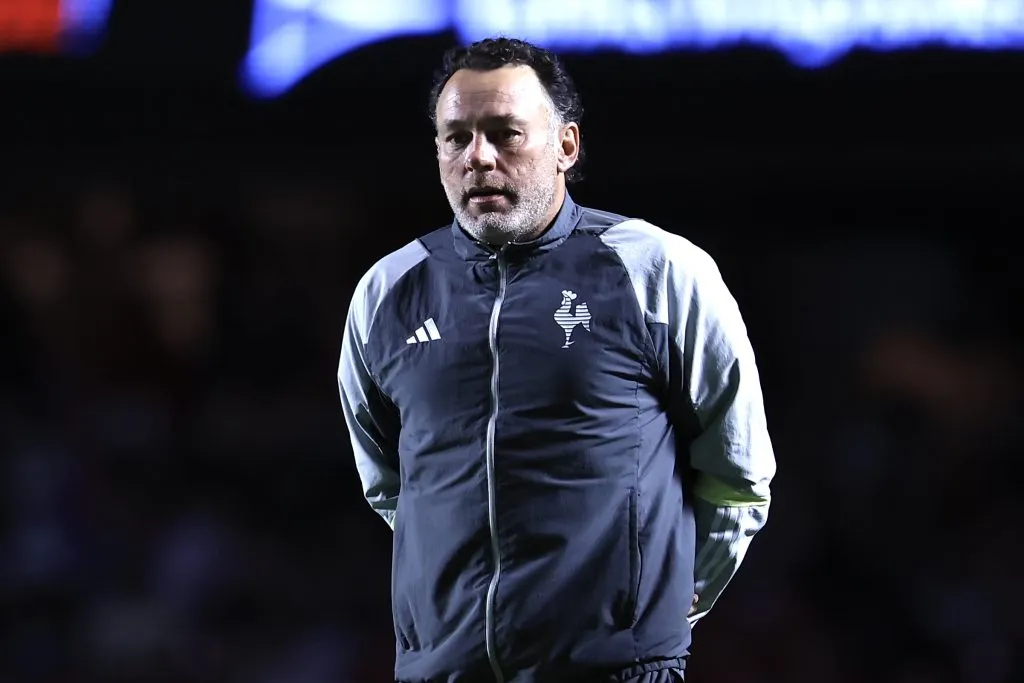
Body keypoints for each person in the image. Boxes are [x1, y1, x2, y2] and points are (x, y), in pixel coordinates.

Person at [338, 37, 776, 683]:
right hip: (444, 670)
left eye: (504, 133)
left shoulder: (657, 269)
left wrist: (663, 609)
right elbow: (391, 485)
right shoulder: (388, 291)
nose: (478, 157)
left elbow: (737, 472)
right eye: (455, 137)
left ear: (566, 146)